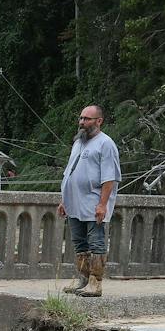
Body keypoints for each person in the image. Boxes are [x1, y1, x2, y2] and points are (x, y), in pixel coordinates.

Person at [56, 104, 121, 298]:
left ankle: (95, 283)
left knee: (96, 242)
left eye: (87, 119)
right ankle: (83, 280)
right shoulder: (78, 142)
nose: (82, 122)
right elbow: (70, 172)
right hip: (74, 203)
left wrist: (102, 204)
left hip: (93, 203)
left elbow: (110, 177)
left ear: (98, 121)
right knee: (79, 243)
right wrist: (63, 200)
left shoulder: (105, 143)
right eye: (81, 118)